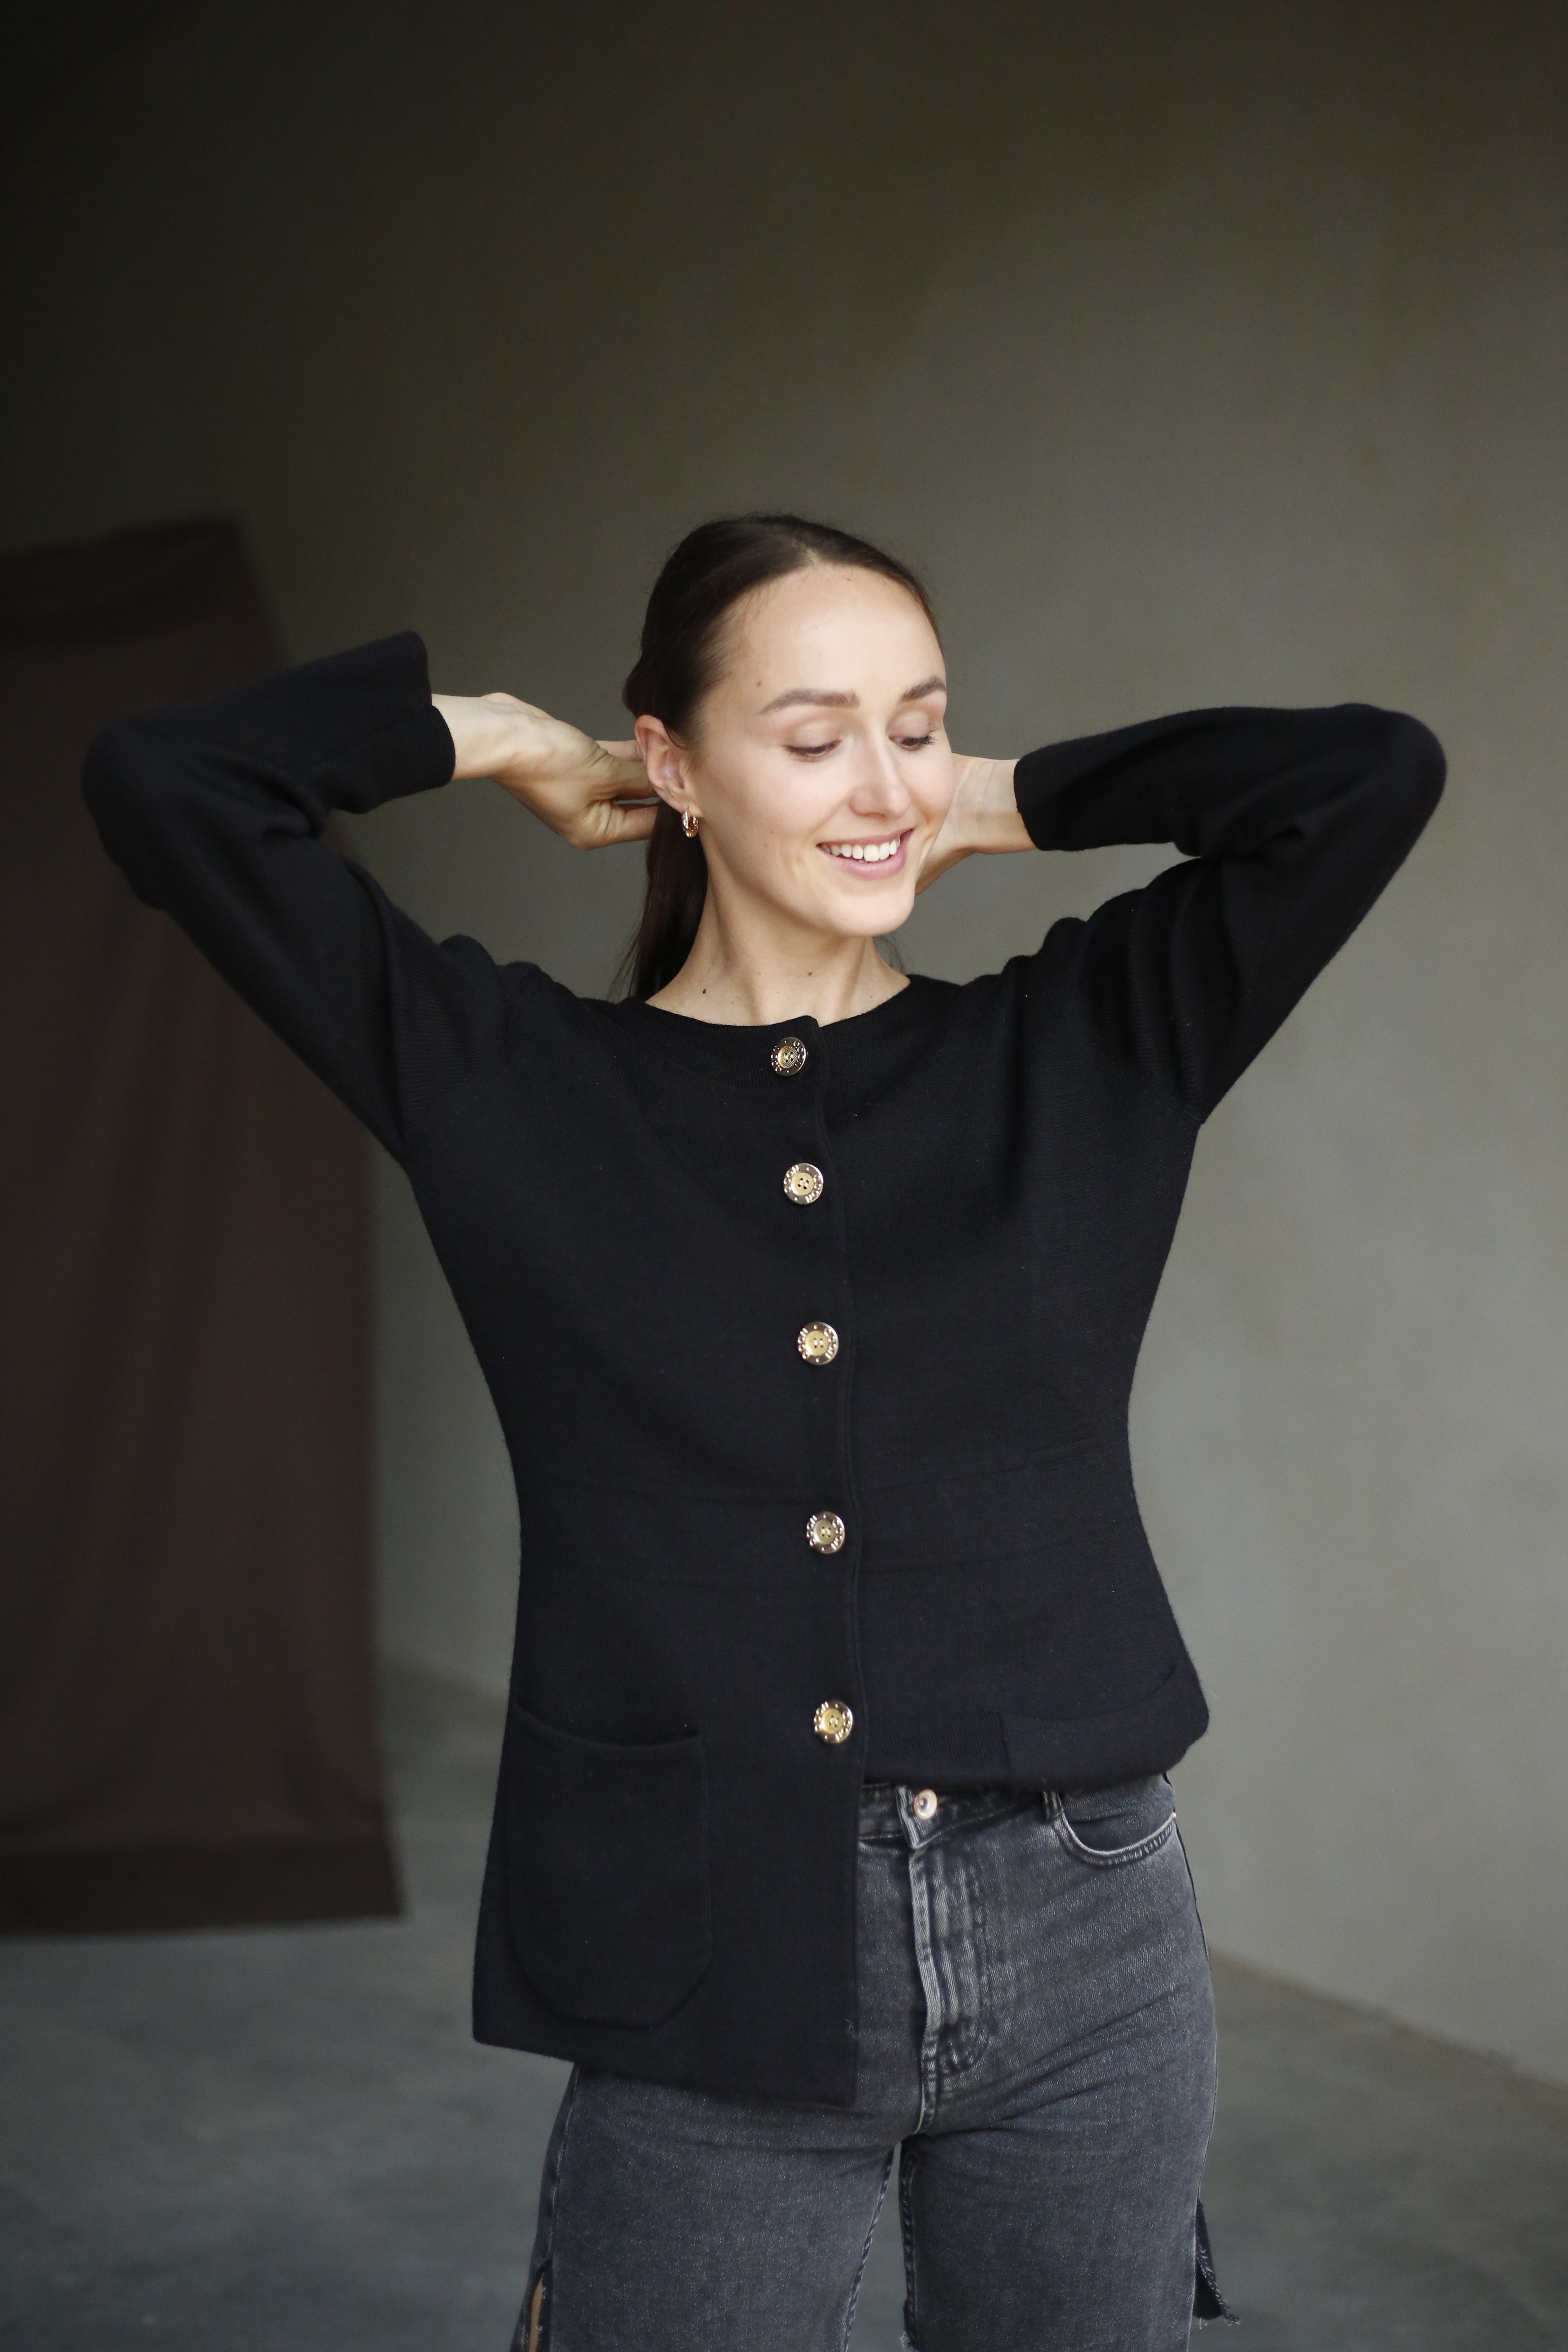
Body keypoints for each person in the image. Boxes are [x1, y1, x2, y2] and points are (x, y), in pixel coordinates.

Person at [84, 513, 1445, 2351]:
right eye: (815, 737)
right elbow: (163, 782)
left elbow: (1369, 777)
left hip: (1091, 1937)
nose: (883, 783)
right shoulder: (508, 1083)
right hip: (701, 1940)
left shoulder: (1085, 1046)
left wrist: (1000, 798)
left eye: (918, 722)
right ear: (674, 765)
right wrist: (495, 737)